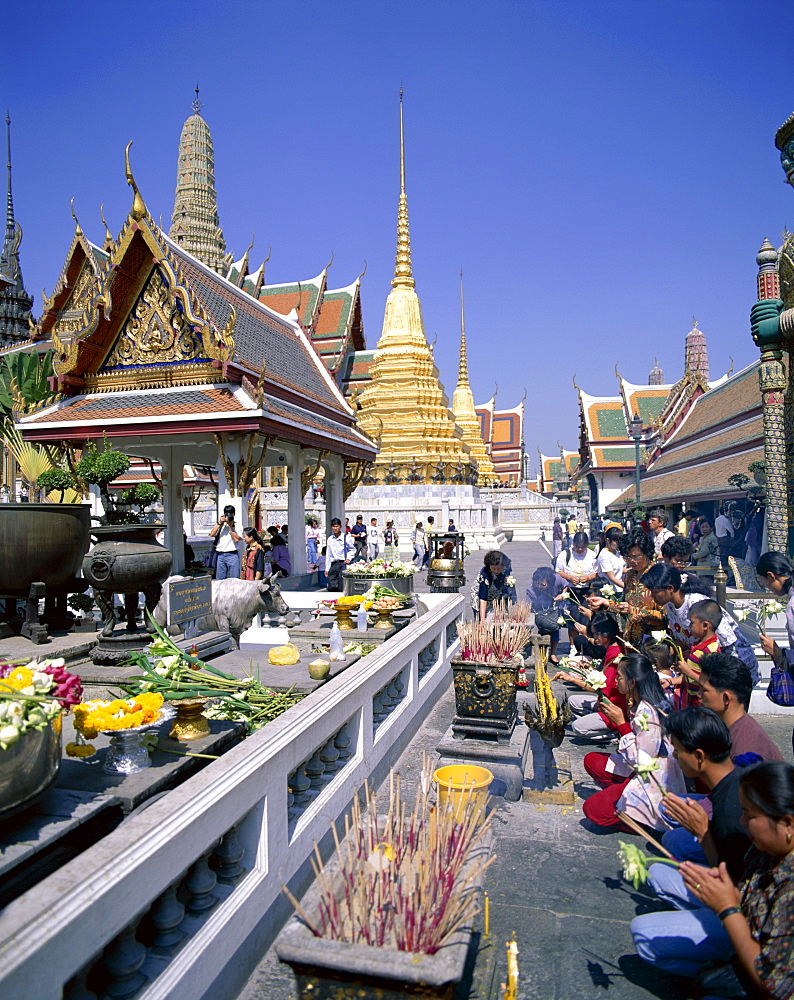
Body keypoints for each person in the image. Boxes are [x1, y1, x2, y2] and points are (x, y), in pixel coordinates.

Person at [633, 761, 794, 999]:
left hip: (762, 966)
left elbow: (774, 984)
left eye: (750, 815)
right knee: (657, 880)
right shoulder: (767, 848)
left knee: (647, 936)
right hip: (745, 926)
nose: (742, 822)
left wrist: (727, 909)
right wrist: (719, 888)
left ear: (788, 824)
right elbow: (745, 891)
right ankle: (718, 971)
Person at [581, 653, 684, 830]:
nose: (615, 681)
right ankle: (622, 791)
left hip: (653, 778)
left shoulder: (647, 711)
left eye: (619, 677)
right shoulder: (646, 699)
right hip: (641, 766)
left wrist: (621, 724)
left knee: (593, 810)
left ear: (632, 682)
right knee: (593, 761)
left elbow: (642, 762)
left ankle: (643, 822)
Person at [640, 563, 760, 682]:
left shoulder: (697, 603)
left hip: (732, 666)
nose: (652, 597)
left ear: (670, 588)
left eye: (655, 592)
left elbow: (726, 642)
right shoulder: (670, 607)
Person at [698, 653, 784, 763]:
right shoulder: (731, 729)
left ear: (726, 698)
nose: (698, 695)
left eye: (704, 690)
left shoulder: (745, 752)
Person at [554, 615, 626, 740]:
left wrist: (571, 679)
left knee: (578, 727)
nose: (595, 638)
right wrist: (590, 668)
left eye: (597, 634)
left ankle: (615, 733)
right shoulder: (610, 648)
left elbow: (600, 688)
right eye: (593, 634)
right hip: (603, 702)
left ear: (607, 633)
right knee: (573, 701)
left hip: (614, 706)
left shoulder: (615, 654)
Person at [677, 599, 723, 709]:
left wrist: (688, 671)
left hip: (703, 702)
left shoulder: (710, 651)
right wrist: (670, 681)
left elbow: (712, 682)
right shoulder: (698, 646)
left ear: (706, 626)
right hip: (692, 699)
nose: (689, 626)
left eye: (692, 622)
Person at [526, 565, 562, 663]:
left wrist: (561, 595)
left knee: (555, 629)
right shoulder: (531, 589)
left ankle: (553, 653)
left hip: (553, 611)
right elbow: (528, 605)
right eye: (537, 583)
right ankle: (542, 652)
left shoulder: (557, 579)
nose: (539, 586)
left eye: (543, 585)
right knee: (543, 631)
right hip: (539, 612)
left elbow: (566, 585)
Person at [474, 550, 512, 620]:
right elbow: (483, 599)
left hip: (497, 593)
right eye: (494, 569)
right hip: (481, 596)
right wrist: (482, 620)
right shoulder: (485, 576)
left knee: (499, 617)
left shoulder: (506, 567)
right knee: (485, 619)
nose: (496, 571)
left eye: (499, 569)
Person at [209, 505, 241, 580]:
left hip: (232, 554)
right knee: (220, 579)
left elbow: (237, 539)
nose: (228, 516)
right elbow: (212, 534)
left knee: (234, 578)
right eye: (226, 514)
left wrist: (230, 526)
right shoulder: (221, 525)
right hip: (220, 555)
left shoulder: (237, 525)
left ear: (234, 514)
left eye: (230, 514)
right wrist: (219, 523)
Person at [325, 517, 354, 591]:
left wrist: (348, 558)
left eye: (337, 526)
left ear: (340, 526)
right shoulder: (330, 539)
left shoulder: (346, 537)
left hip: (343, 564)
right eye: (333, 526)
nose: (335, 528)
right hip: (334, 564)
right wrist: (327, 568)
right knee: (332, 586)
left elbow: (352, 549)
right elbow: (328, 554)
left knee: (342, 586)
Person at [595, 526, 625, 592]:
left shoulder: (617, 552)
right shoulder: (604, 556)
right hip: (610, 591)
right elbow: (612, 578)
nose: (618, 544)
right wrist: (627, 587)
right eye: (616, 541)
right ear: (607, 540)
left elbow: (618, 570)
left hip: (619, 589)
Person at [714, 505, 735, 573]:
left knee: (722, 556)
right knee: (727, 556)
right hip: (725, 539)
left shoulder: (717, 519)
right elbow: (730, 529)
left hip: (719, 538)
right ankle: (727, 572)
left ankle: (724, 571)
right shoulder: (725, 520)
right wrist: (733, 537)